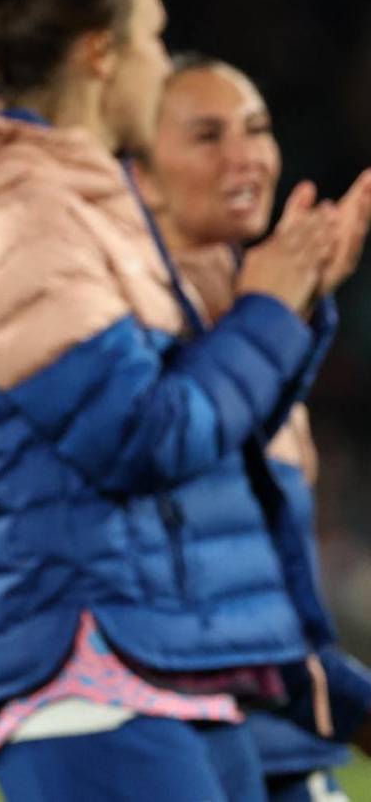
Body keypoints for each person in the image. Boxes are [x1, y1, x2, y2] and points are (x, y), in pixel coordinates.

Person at [0, 0, 369, 800]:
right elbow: (143, 436)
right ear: (103, 52)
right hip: (87, 673)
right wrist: (268, 307)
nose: (160, 63)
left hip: (165, 666)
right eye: (153, 37)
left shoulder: (79, 210)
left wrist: (285, 306)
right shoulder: (29, 222)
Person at [134, 54, 371, 802]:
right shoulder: (115, 333)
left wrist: (290, 310)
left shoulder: (265, 338)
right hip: (187, 746)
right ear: (137, 167)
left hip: (286, 756)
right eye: (207, 135)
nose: (247, 157)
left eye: (258, 129)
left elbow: (268, 604)